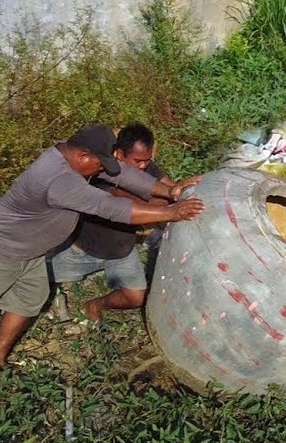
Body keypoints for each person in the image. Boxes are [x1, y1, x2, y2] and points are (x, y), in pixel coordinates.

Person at [0, 125, 204, 381]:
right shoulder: (57, 180)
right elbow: (108, 206)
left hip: (29, 252)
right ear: (83, 156)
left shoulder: (76, 159)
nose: (103, 171)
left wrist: (170, 191)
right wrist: (171, 212)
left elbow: (121, 174)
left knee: (28, 301)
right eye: (99, 165)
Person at [49, 123, 193, 325]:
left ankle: (95, 305)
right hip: (83, 252)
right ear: (119, 154)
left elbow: (173, 190)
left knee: (136, 298)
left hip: (121, 252)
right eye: (138, 161)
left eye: (147, 160)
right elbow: (127, 208)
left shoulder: (145, 167)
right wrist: (166, 205)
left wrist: (184, 191)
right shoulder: (100, 171)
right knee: (40, 277)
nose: (143, 166)